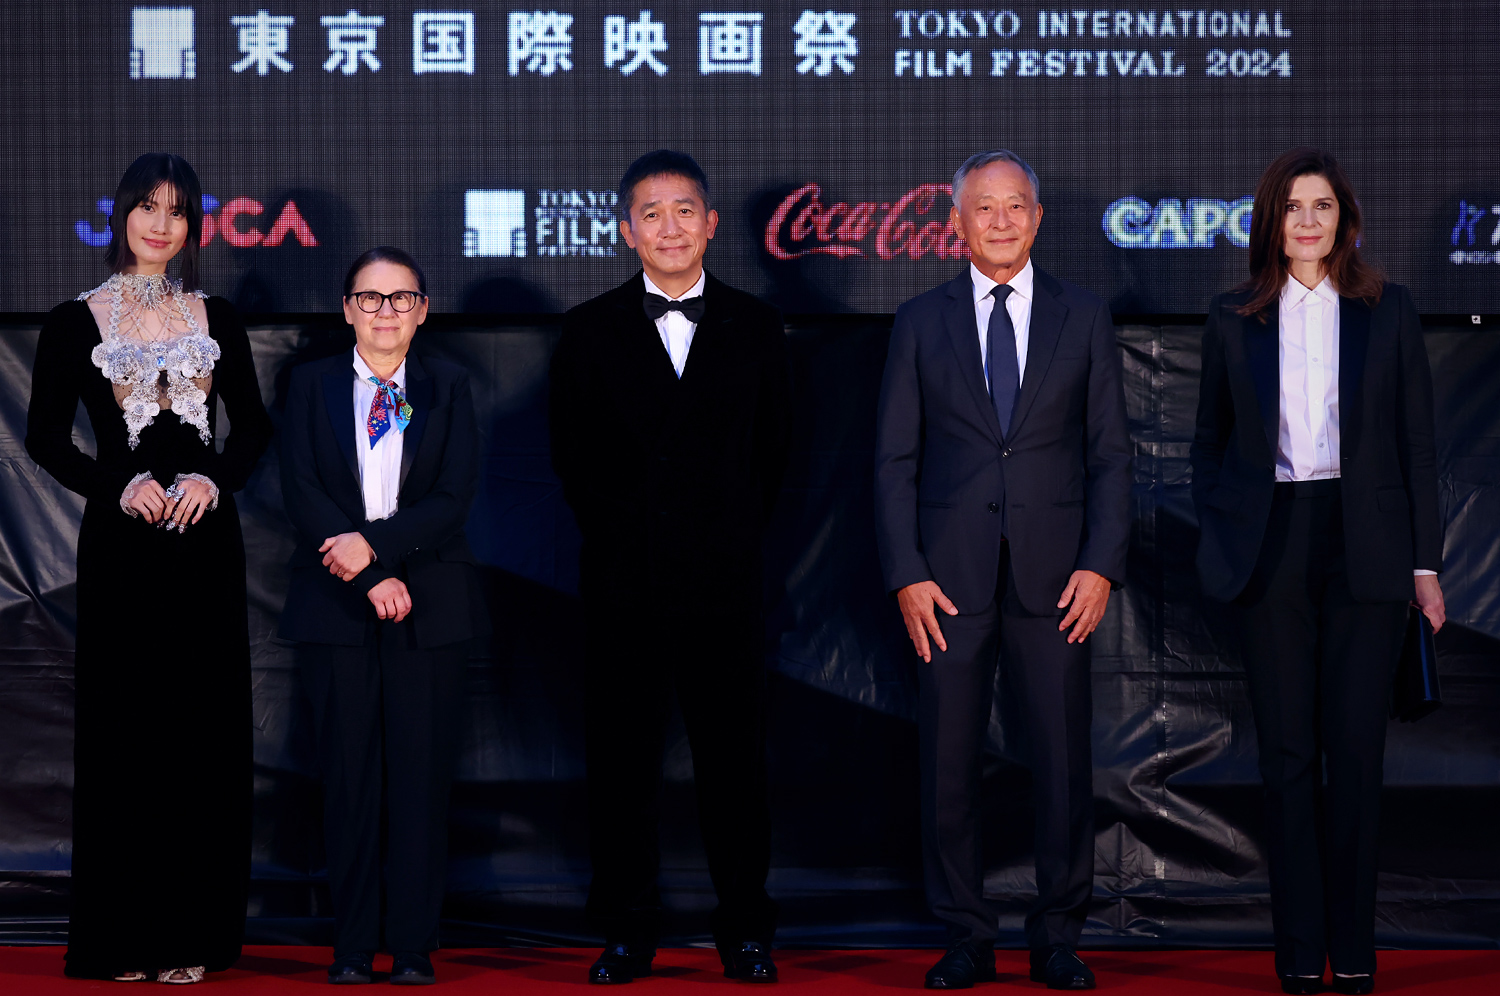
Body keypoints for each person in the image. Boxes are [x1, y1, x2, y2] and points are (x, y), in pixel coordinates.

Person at [1191, 148, 1445, 996]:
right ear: (1271, 219)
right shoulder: (1233, 315)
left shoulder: (1388, 309)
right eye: (1293, 206)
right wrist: (1229, 525)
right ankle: (1300, 955)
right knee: (1288, 759)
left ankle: (1357, 955)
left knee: (1356, 758)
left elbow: (1418, 445)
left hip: (1365, 546)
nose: (1308, 220)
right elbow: (1208, 444)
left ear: (1345, 219)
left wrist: (1424, 565)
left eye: (1323, 205)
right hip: (1271, 545)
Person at [875, 150, 1131, 990]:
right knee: (948, 765)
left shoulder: (1082, 315)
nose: (1000, 221)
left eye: (1015, 205)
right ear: (955, 223)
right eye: (982, 208)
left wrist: (1100, 567)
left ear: (1037, 216)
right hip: (945, 584)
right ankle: (964, 933)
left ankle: (1059, 934)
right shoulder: (919, 321)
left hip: (1058, 582)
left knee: (1060, 763)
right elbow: (893, 463)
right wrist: (906, 571)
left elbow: (1111, 460)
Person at [25, 153, 272, 984]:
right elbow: (45, 439)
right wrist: (119, 483)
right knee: (126, 736)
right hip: (125, 546)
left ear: (193, 225)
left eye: (176, 211)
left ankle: (192, 936)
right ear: (122, 216)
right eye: (146, 207)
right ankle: (122, 938)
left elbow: (254, 433)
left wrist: (213, 477)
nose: (160, 224)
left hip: (204, 545)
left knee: (200, 738)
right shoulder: (76, 320)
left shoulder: (218, 315)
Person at [549, 150, 791, 985]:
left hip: (726, 589)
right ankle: (625, 931)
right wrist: (628, 548)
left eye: (684, 210)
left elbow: (776, 458)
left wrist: (724, 540)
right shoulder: (586, 331)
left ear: (712, 223)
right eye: (650, 213)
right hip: (623, 589)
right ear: (626, 231)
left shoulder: (757, 327)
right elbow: (570, 463)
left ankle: (747, 931)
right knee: (621, 769)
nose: (669, 227)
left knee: (735, 767)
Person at [278, 247, 485, 987]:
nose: (386, 311)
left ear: (423, 310)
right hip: (336, 604)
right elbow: (301, 489)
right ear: (347, 309)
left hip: (428, 605)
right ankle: (353, 947)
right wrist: (366, 573)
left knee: (421, 780)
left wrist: (379, 555)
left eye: (402, 298)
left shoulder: (452, 386)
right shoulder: (309, 385)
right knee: (349, 780)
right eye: (371, 298)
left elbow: (453, 497)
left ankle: (414, 945)